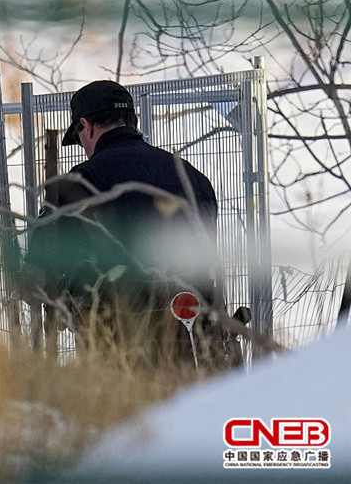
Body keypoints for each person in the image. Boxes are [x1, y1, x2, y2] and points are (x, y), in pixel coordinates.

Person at [22, 80, 229, 366]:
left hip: (117, 346)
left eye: (80, 137)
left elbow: (37, 275)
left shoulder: (79, 184)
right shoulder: (194, 178)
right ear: (132, 121)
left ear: (87, 126)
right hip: (194, 338)